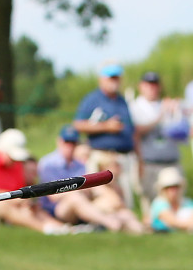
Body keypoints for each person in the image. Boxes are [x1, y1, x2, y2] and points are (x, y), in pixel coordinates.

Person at [37, 125, 144, 233]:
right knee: (75, 197)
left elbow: (88, 189)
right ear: (59, 141)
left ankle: (141, 230)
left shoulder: (80, 165)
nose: (70, 146)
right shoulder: (48, 164)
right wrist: (77, 189)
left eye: (73, 143)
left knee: (110, 201)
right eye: (67, 142)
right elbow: (52, 195)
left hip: (82, 204)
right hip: (56, 209)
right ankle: (110, 223)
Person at [0, 129, 69, 234]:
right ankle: (45, 229)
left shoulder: (16, 163)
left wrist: (24, 202)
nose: (14, 160)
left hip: (8, 204)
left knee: (31, 208)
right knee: (2, 205)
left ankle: (63, 229)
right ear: (3, 149)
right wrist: (14, 200)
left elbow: (18, 191)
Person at [72, 63, 136, 204]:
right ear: (102, 79)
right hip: (100, 156)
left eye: (117, 78)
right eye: (111, 78)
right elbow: (78, 124)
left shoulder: (122, 101)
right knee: (101, 196)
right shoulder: (92, 99)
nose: (114, 81)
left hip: (122, 157)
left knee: (125, 199)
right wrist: (106, 126)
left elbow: (132, 129)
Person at [130, 71, 184, 208]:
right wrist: (161, 115)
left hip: (171, 162)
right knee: (151, 205)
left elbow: (182, 134)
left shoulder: (168, 104)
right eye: (148, 84)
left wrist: (178, 113)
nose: (152, 88)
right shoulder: (135, 107)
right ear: (141, 86)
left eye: (155, 84)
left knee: (175, 205)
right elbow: (137, 131)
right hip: (149, 164)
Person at [148, 166, 193, 233]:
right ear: (163, 189)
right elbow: (173, 222)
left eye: (176, 186)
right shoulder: (159, 203)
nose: (173, 190)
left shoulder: (187, 202)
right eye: (169, 187)